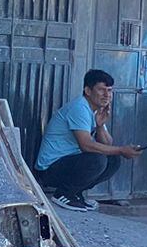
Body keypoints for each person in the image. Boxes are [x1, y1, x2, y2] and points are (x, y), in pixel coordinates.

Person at [33, 69, 141, 211]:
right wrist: (121, 149)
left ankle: (75, 193)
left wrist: (100, 126)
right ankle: (63, 194)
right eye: (102, 90)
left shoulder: (96, 110)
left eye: (109, 90)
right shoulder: (79, 108)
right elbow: (86, 145)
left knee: (113, 159)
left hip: (70, 163)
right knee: (97, 159)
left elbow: (107, 144)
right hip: (50, 169)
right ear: (88, 91)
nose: (107, 95)